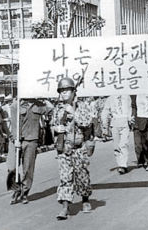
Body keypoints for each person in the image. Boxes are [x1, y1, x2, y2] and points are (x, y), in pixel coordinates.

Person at [51, 77, 96, 220]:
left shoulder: (81, 105)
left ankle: (85, 199)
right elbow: (52, 124)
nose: (63, 93)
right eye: (61, 91)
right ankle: (65, 207)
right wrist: (56, 128)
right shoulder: (58, 108)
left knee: (82, 176)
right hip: (64, 148)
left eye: (66, 90)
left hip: (79, 147)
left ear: (73, 91)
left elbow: (87, 122)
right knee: (65, 178)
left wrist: (73, 113)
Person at [9, 98, 53, 205]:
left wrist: (46, 98)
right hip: (17, 140)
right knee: (11, 167)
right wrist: (16, 139)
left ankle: (24, 192)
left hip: (32, 140)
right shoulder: (16, 105)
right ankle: (16, 189)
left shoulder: (39, 105)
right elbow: (14, 124)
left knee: (28, 168)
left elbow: (51, 110)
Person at [101, 95, 133, 174]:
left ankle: (123, 165)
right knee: (116, 146)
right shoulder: (111, 98)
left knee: (123, 144)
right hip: (115, 122)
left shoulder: (127, 96)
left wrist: (130, 119)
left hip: (125, 122)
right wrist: (105, 124)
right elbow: (105, 111)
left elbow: (130, 108)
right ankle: (119, 163)